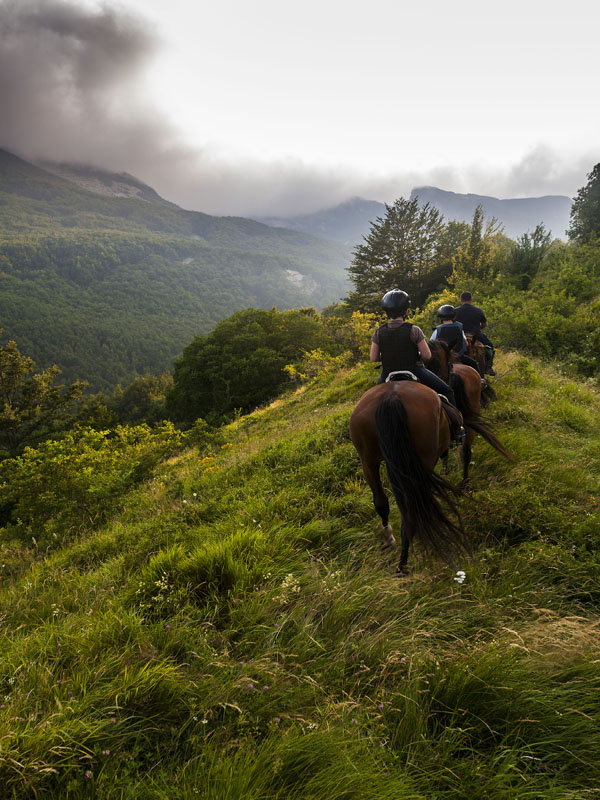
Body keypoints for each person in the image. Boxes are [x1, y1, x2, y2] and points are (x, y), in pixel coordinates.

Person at [370, 290, 464, 441]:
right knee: (447, 391)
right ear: (406, 311)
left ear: (386, 312)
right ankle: (457, 428)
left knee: (370, 401)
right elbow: (427, 356)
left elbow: (374, 358)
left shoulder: (378, 332)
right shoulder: (414, 330)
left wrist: (388, 355)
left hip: (387, 374)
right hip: (414, 370)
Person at [454, 291, 496, 375]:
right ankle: (488, 367)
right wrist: (478, 327)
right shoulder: (478, 310)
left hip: (461, 336)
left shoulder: (455, 311)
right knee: (490, 346)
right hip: (476, 335)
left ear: (461, 299)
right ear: (471, 299)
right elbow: (484, 324)